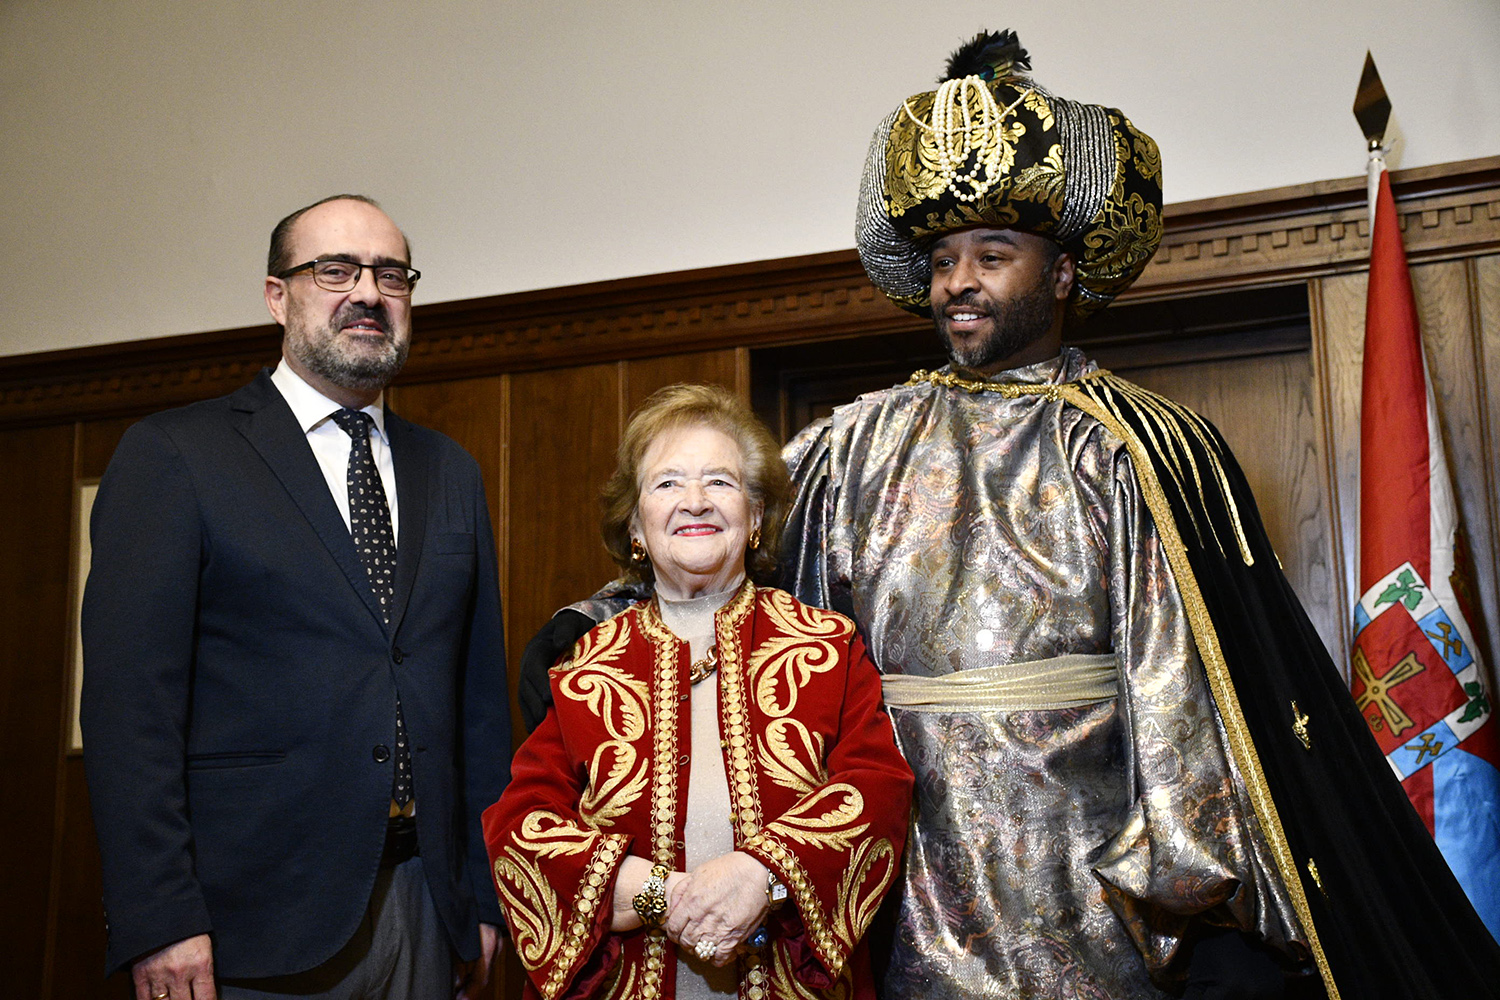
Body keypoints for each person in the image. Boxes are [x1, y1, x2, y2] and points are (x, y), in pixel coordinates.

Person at [522, 31, 1500, 1000]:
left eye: (993, 254)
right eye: (944, 258)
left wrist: (1147, 891)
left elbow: (1180, 702)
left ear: (1063, 272)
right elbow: (755, 602)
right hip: (895, 890)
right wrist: (601, 624)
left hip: (1086, 900)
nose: (959, 282)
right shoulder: (859, 447)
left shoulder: (1138, 446)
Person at [81, 194, 510, 1000]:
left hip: (428, 905)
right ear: (278, 296)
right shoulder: (177, 455)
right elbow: (127, 711)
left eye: (391, 274)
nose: (367, 293)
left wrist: (484, 896)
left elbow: (478, 708)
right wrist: (159, 915)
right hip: (247, 922)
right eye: (335, 270)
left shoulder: (450, 470)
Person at [486, 384, 912, 999]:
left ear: (757, 515)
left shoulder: (829, 646)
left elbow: (879, 789)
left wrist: (762, 876)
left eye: (720, 482)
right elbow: (522, 823)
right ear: (635, 524)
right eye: (666, 484)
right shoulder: (583, 665)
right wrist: (661, 895)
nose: (694, 502)